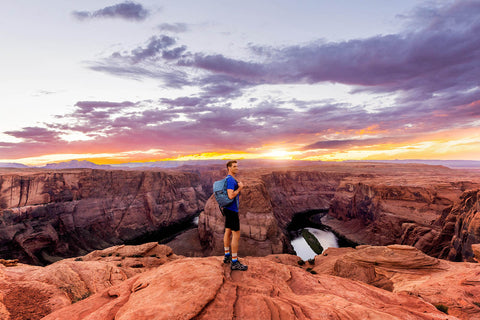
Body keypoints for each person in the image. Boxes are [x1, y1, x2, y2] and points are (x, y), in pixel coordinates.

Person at [222, 160, 248, 271]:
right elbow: (231, 195)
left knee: (227, 231)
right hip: (232, 211)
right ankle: (234, 261)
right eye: (234, 166)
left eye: (237, 166)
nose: (237, 168)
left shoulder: (228, 179)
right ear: (229, 168)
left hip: (228, 209)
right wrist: (240, 188)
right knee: (236, 234)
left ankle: (227, 256)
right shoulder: (231, 180)